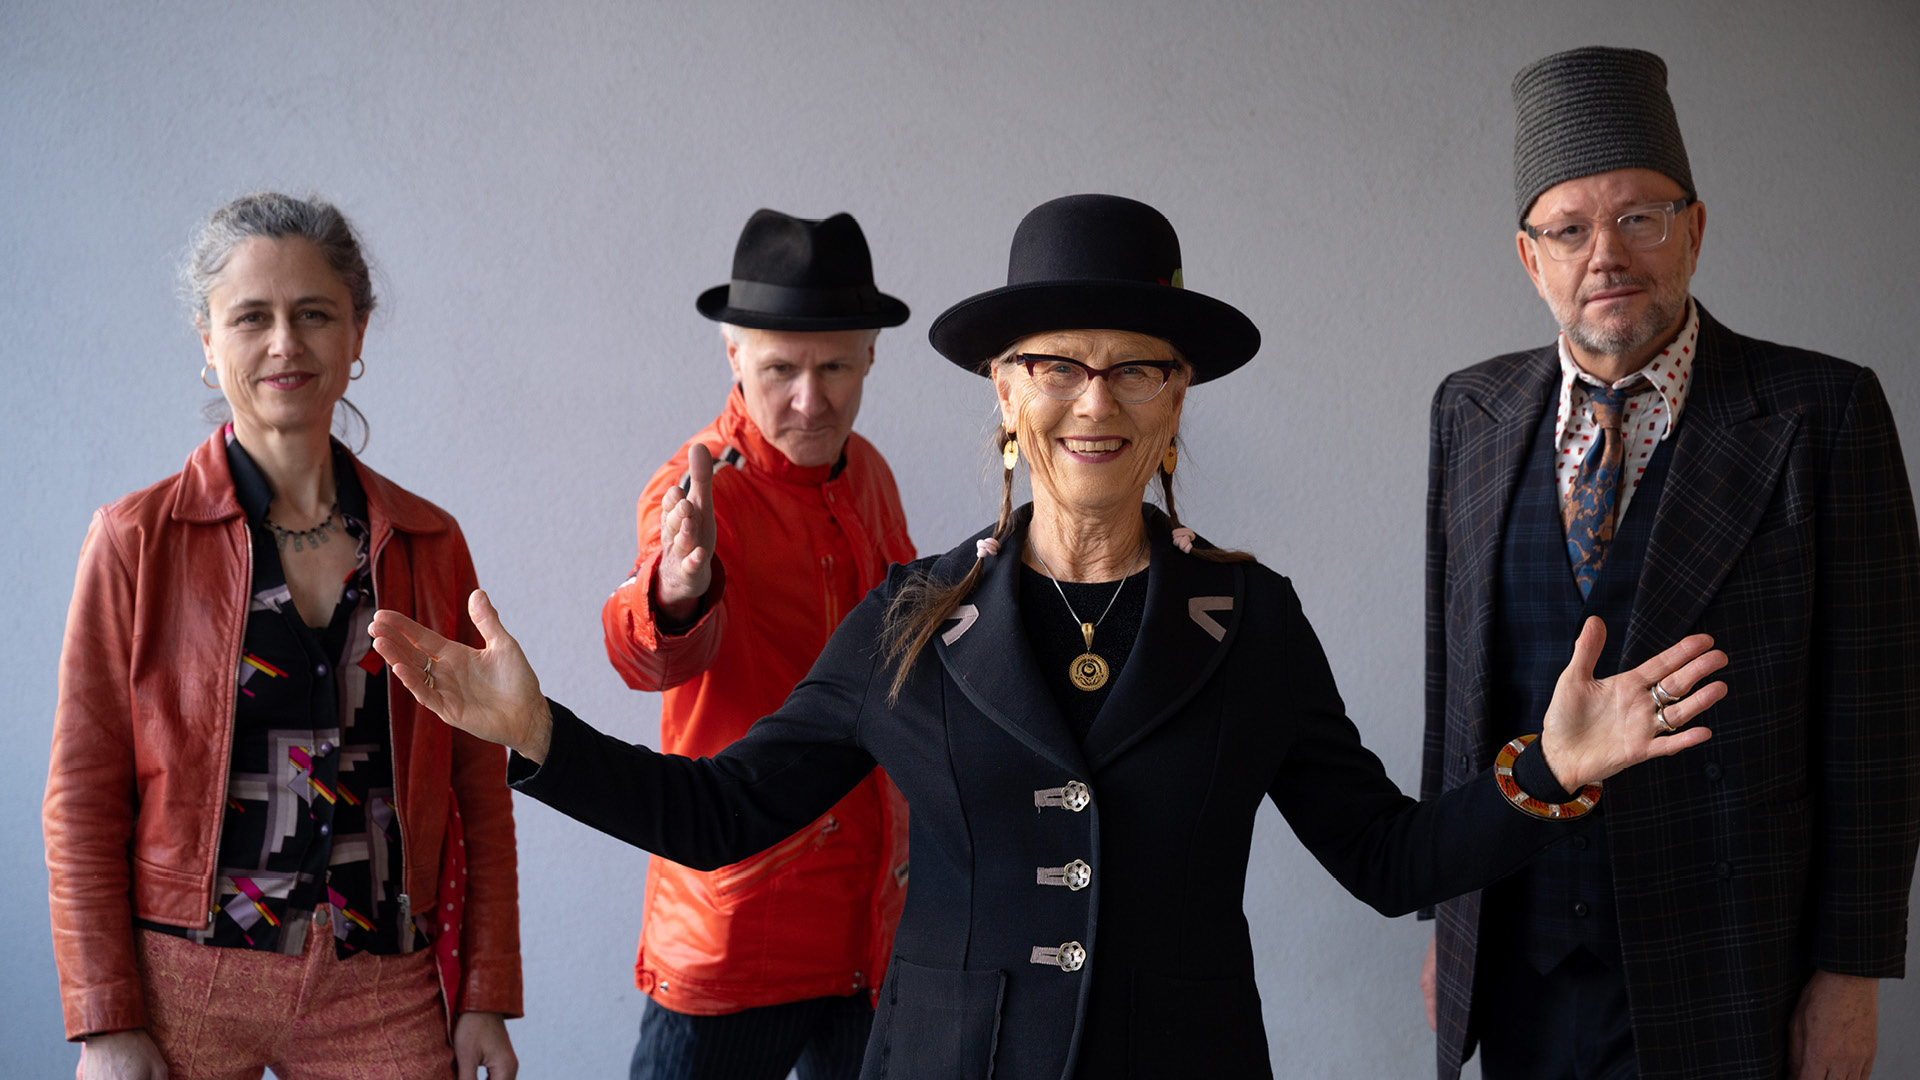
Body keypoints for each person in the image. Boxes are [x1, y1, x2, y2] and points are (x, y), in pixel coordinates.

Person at [371, 193, 1728, 1079]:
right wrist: (535, 740)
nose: (1098, 397)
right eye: (1059, 366)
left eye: (1138, 364)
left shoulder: (1250, 623)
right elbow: (728, 810)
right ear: (1007, 396)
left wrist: (1547, 773)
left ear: (1177, 399)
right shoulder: (910, 615)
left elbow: (1384, 857)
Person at [1417, 47, 1920, 1080]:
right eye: (1570, 228)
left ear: (1694, 229)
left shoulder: (1821, 416)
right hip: (1518, 953)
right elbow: (1454, 688)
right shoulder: (1469, 412)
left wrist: (1850, 977)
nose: (1607, 254)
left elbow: (1878, 723)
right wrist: (1446, 910)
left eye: (1639, 216)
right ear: (1531, 257)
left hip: (1732, 959)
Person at [45, 193, 522, 1080]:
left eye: (314, 315)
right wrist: (103, 1019)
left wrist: (486, 991)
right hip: (185, 978)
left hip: (379, 977)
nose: (284, 344)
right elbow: (81, 795)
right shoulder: (135, 541)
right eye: (251, 317)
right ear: (206, 339)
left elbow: (477, 791)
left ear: (358, 333)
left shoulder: (428, 543)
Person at [600, 208, 914, 1080]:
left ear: (869, 359)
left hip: (869, 933)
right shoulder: (696, 491)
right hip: (736, 932)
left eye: (835, 367)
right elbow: (646, 655)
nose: (809, 400)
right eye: (780, 368)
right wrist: (676, 591)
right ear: (734, 357)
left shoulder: (872, 473)